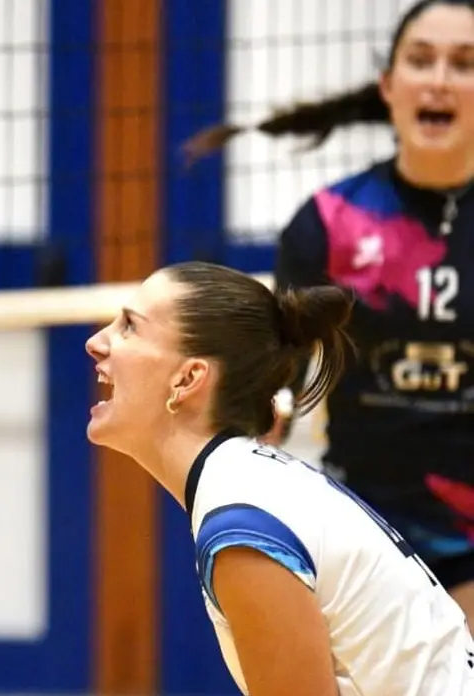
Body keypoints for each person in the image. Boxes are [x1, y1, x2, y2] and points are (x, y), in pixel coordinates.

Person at [182, 0, 474, 624]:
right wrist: (265, 414)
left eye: (464, 64)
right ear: (389, 86)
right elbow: (282, 372)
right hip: (366, 529)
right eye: (421, 60)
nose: (440, 80)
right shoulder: (329, 224)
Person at [85, 260, 474, 694]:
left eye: (129, 327)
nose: (95, 343)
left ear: (188, 378)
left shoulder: (243, 525)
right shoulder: (251, 486)